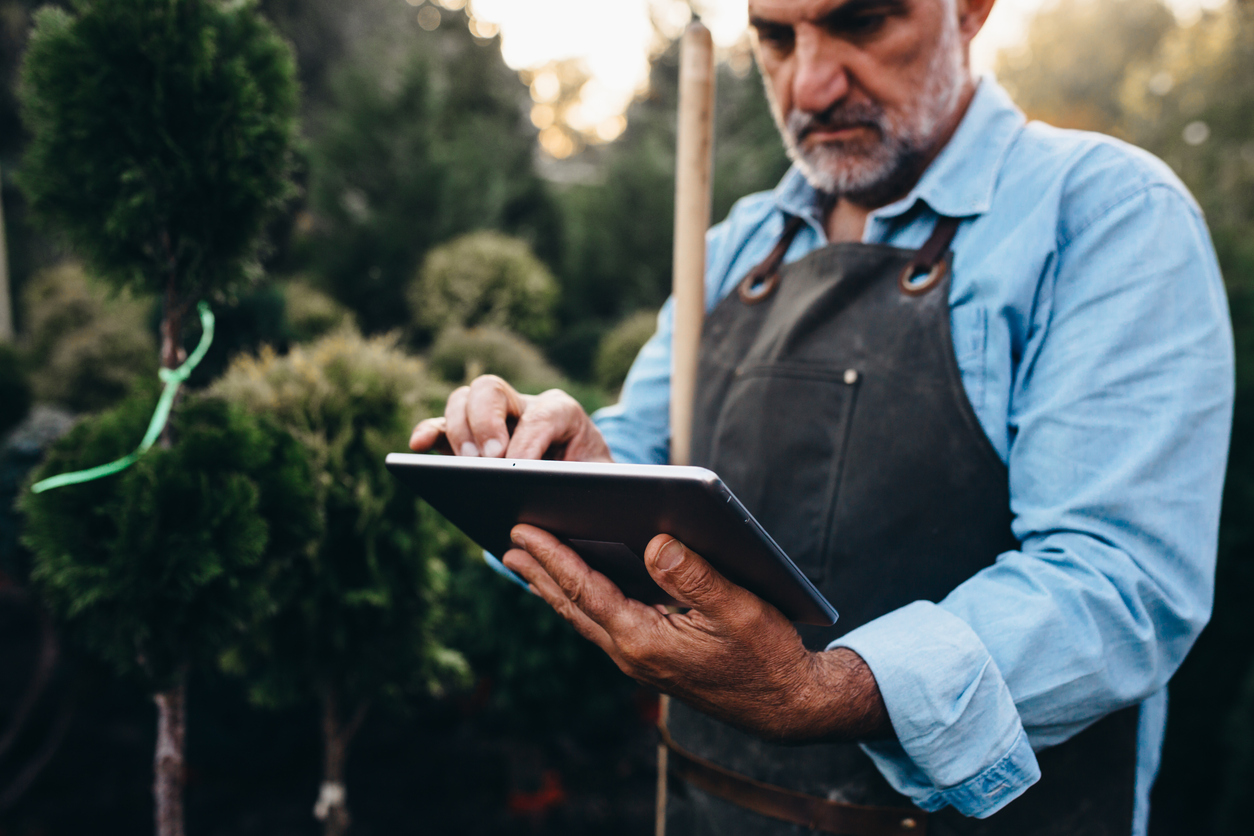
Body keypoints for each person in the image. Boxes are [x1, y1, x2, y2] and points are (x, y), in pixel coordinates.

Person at [409, 0, 1235, 831]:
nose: (809, 83)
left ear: (973, 10)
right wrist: (557, 469)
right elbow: (643, 454)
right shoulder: (737, 247)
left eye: (864, 21)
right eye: (774, 36)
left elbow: (1119, 580)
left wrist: (822, 690)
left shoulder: (1105, 216)